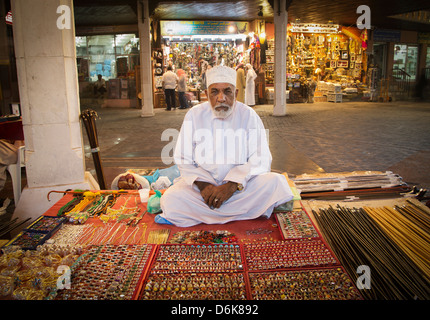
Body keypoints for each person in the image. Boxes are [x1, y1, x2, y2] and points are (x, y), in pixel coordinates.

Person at [158, 65, 294, 227]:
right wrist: (203, 186)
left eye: (227, 91)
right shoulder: (194, 115)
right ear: (207, 94)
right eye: (215, 92)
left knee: (276, 183)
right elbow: (183, 158)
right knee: (171, 198)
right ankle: (244, 212)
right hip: (204, 190)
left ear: (235, 94)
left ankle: (208, 213)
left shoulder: (248, 115)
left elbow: (261, 157)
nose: (221, 98)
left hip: (240, 189)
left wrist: (231, 186)